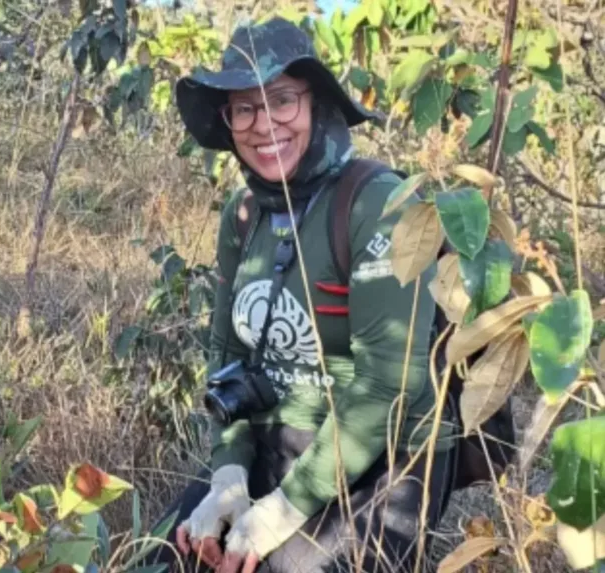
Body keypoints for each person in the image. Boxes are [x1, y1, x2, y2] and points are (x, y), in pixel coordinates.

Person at [143, 16, 460, 573]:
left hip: (381, 460)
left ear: (317, 104)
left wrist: (280, 514)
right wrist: (229, 475)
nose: (264, 125)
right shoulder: (243, 217)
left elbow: (389, 385)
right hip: (278, 438)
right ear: (228, 121)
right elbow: (228, 356)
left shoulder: (379, 205)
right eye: (244, 107)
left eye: (282, 100)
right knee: (166, 559)